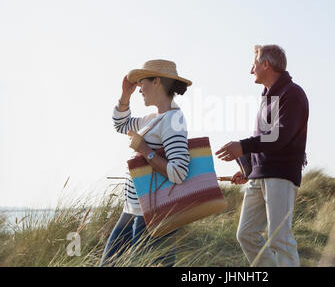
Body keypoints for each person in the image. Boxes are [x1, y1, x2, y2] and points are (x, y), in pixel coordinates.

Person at [215, 45, 309, 267]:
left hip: (281, 177)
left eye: (254, 64)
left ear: (266, 64)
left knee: (280, 239)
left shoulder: (293, 94)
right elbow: (266, 139)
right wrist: (249, 169)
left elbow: (280, 137)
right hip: (260, 177)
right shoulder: (268, 97)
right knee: (246, 234)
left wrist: (243, 146)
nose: (251, 70)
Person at [100, 59, 192, 267]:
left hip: (153, 214)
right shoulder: (153, 118)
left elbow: (178, 171)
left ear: (157, 81)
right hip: (131, 210)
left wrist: (144, 150)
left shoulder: (173, 120)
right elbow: (121, 124)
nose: (140, 89)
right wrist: (125, 94)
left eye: (142, 82)